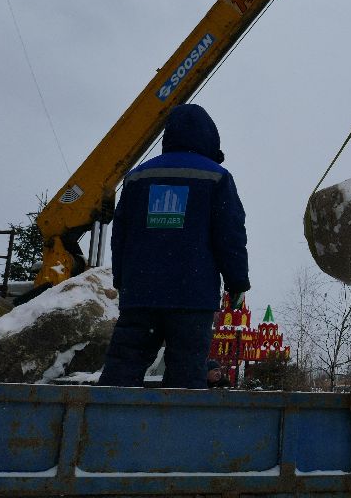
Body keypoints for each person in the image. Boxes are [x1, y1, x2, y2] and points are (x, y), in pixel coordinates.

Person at [99, 104, 250, 389]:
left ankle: (106, 416)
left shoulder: (137, 177)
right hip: (192, 296)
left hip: (140, 294)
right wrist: (237, 281)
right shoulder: (216, 177)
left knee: (123, 367)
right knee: (187, 373)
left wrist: (122, 279)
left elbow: (120, 235)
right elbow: (230, 235)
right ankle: (180, 418)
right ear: (210, 138)